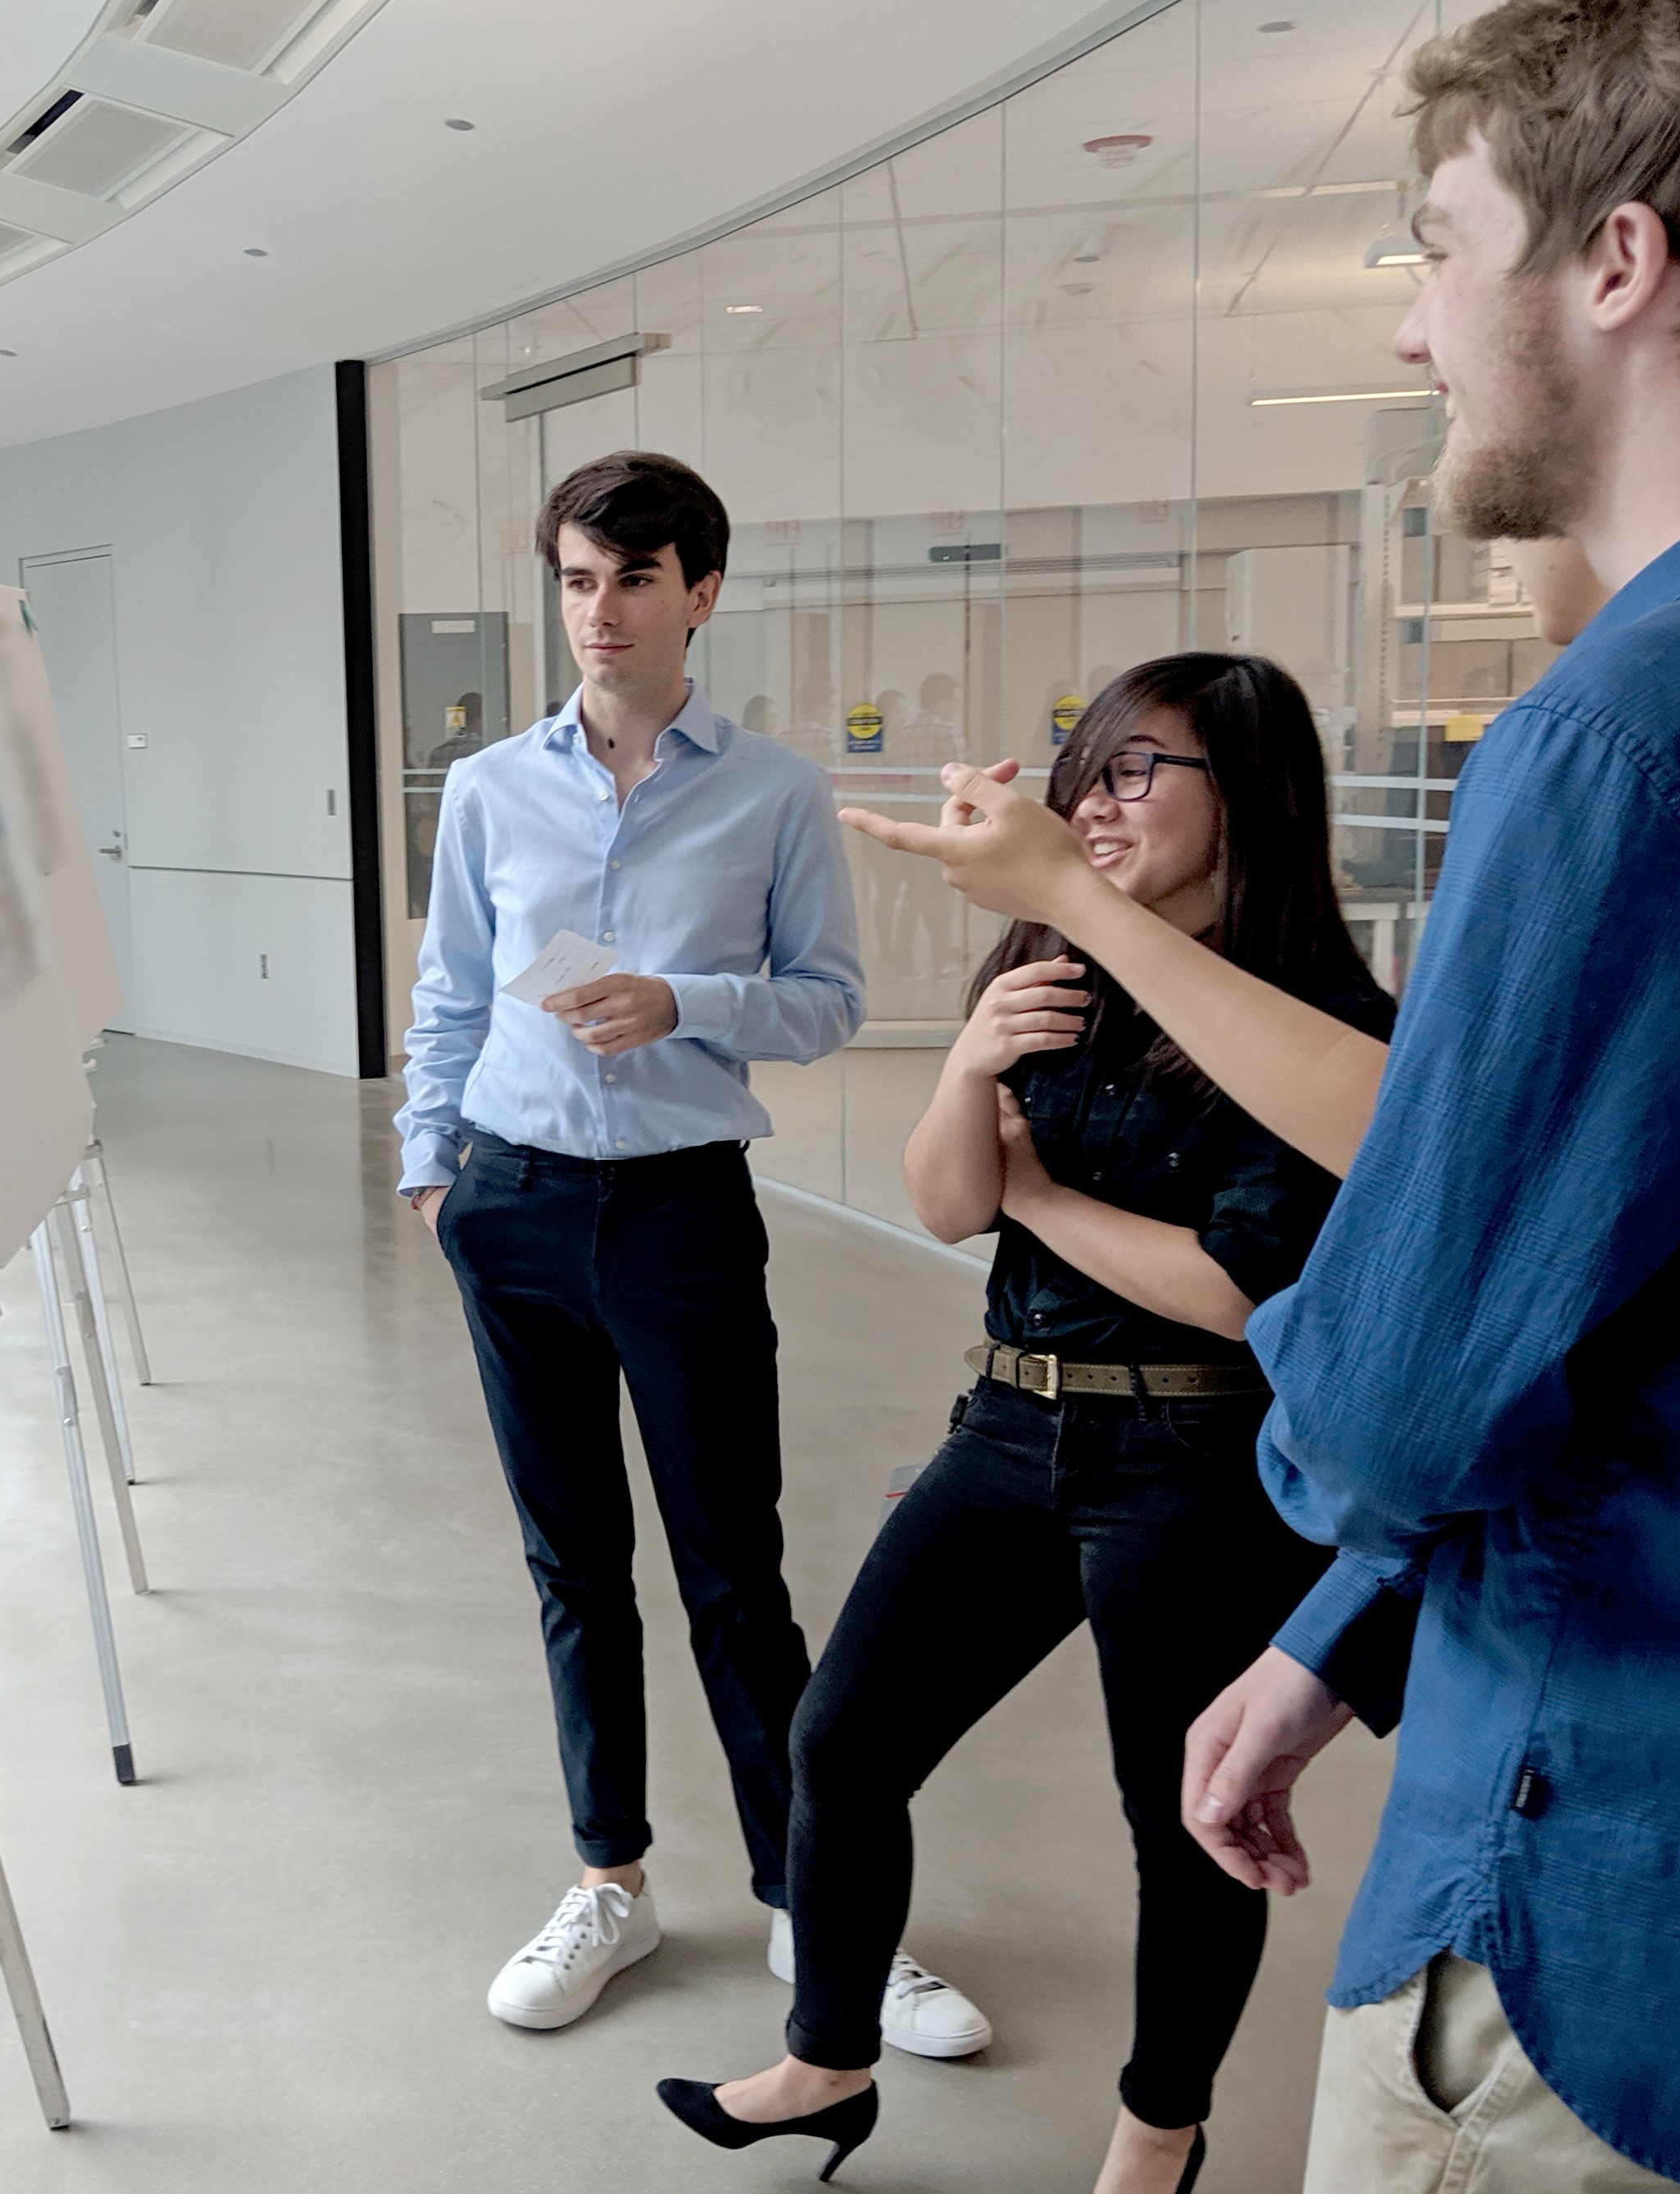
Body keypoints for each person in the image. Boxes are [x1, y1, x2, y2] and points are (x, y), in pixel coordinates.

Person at [844, 1, 1680, 2185]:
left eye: (1438, 244)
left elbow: (1391, 1394)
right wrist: (1340, 1641)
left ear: (1618, 265)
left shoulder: (1635, 742)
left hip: (1605, 1926)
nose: (1421, 323)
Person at [660, 656, 1393, 2194]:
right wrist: (972, 1060)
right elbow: (944, 1205)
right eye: (1090, 770)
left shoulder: (1314, 1023)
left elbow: (1238, 1297)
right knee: (843, 1744)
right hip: (1007, 1424)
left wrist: (1043, 1195)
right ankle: (830, 2057)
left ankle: (1159, 2130)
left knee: (1183, 1818)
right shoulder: (1050, 967)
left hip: (1192, 1461)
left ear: (1245, 797)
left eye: (1144, 772)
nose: (1096, 803)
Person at [401, 452, 963, 2042]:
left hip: (679, 1213)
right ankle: (611, 1885)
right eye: (577, 579)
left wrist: (684, 1003)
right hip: (510, 1208)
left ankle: (810, 1901)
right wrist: (430, 1178)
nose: (599, 611)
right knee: (573, 1567)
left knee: (735, 1572)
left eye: (632, 580)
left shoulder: (772, 789)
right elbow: (450, 988)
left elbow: (834, 999)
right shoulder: (492, 787)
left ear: (699, 594)